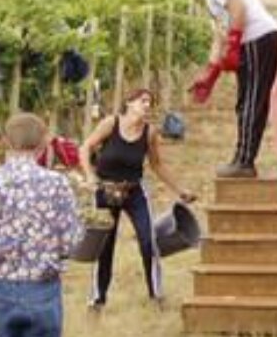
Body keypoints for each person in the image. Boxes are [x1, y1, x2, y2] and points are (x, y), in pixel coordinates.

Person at [0, 112, 82, 337]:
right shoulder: (58, 184)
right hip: (44, 288)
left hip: (3, 290)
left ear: (5, 141)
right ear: (43, 142)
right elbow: (72, 240)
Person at [169, 0, 277, 178]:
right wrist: (210, 74)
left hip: (257, 39)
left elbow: (238, 8)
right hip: (258, 40)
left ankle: (244, 162)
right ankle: (243, 159)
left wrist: (234, 43)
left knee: (251, 101)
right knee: (246, 102)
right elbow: (219, 36)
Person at [79, 87, 196, 309]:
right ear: (129, 103)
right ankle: (98, 299)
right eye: (143, 101)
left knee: (147, 240)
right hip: (105, 190)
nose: (147, 106)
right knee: (105, 245)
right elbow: (85, 147)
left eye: (150, 102)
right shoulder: (110, 124)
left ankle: (156, 295)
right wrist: (90, 176)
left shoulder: (149, 133)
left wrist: (180, 191)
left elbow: (157, 165)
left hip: (134, 191)